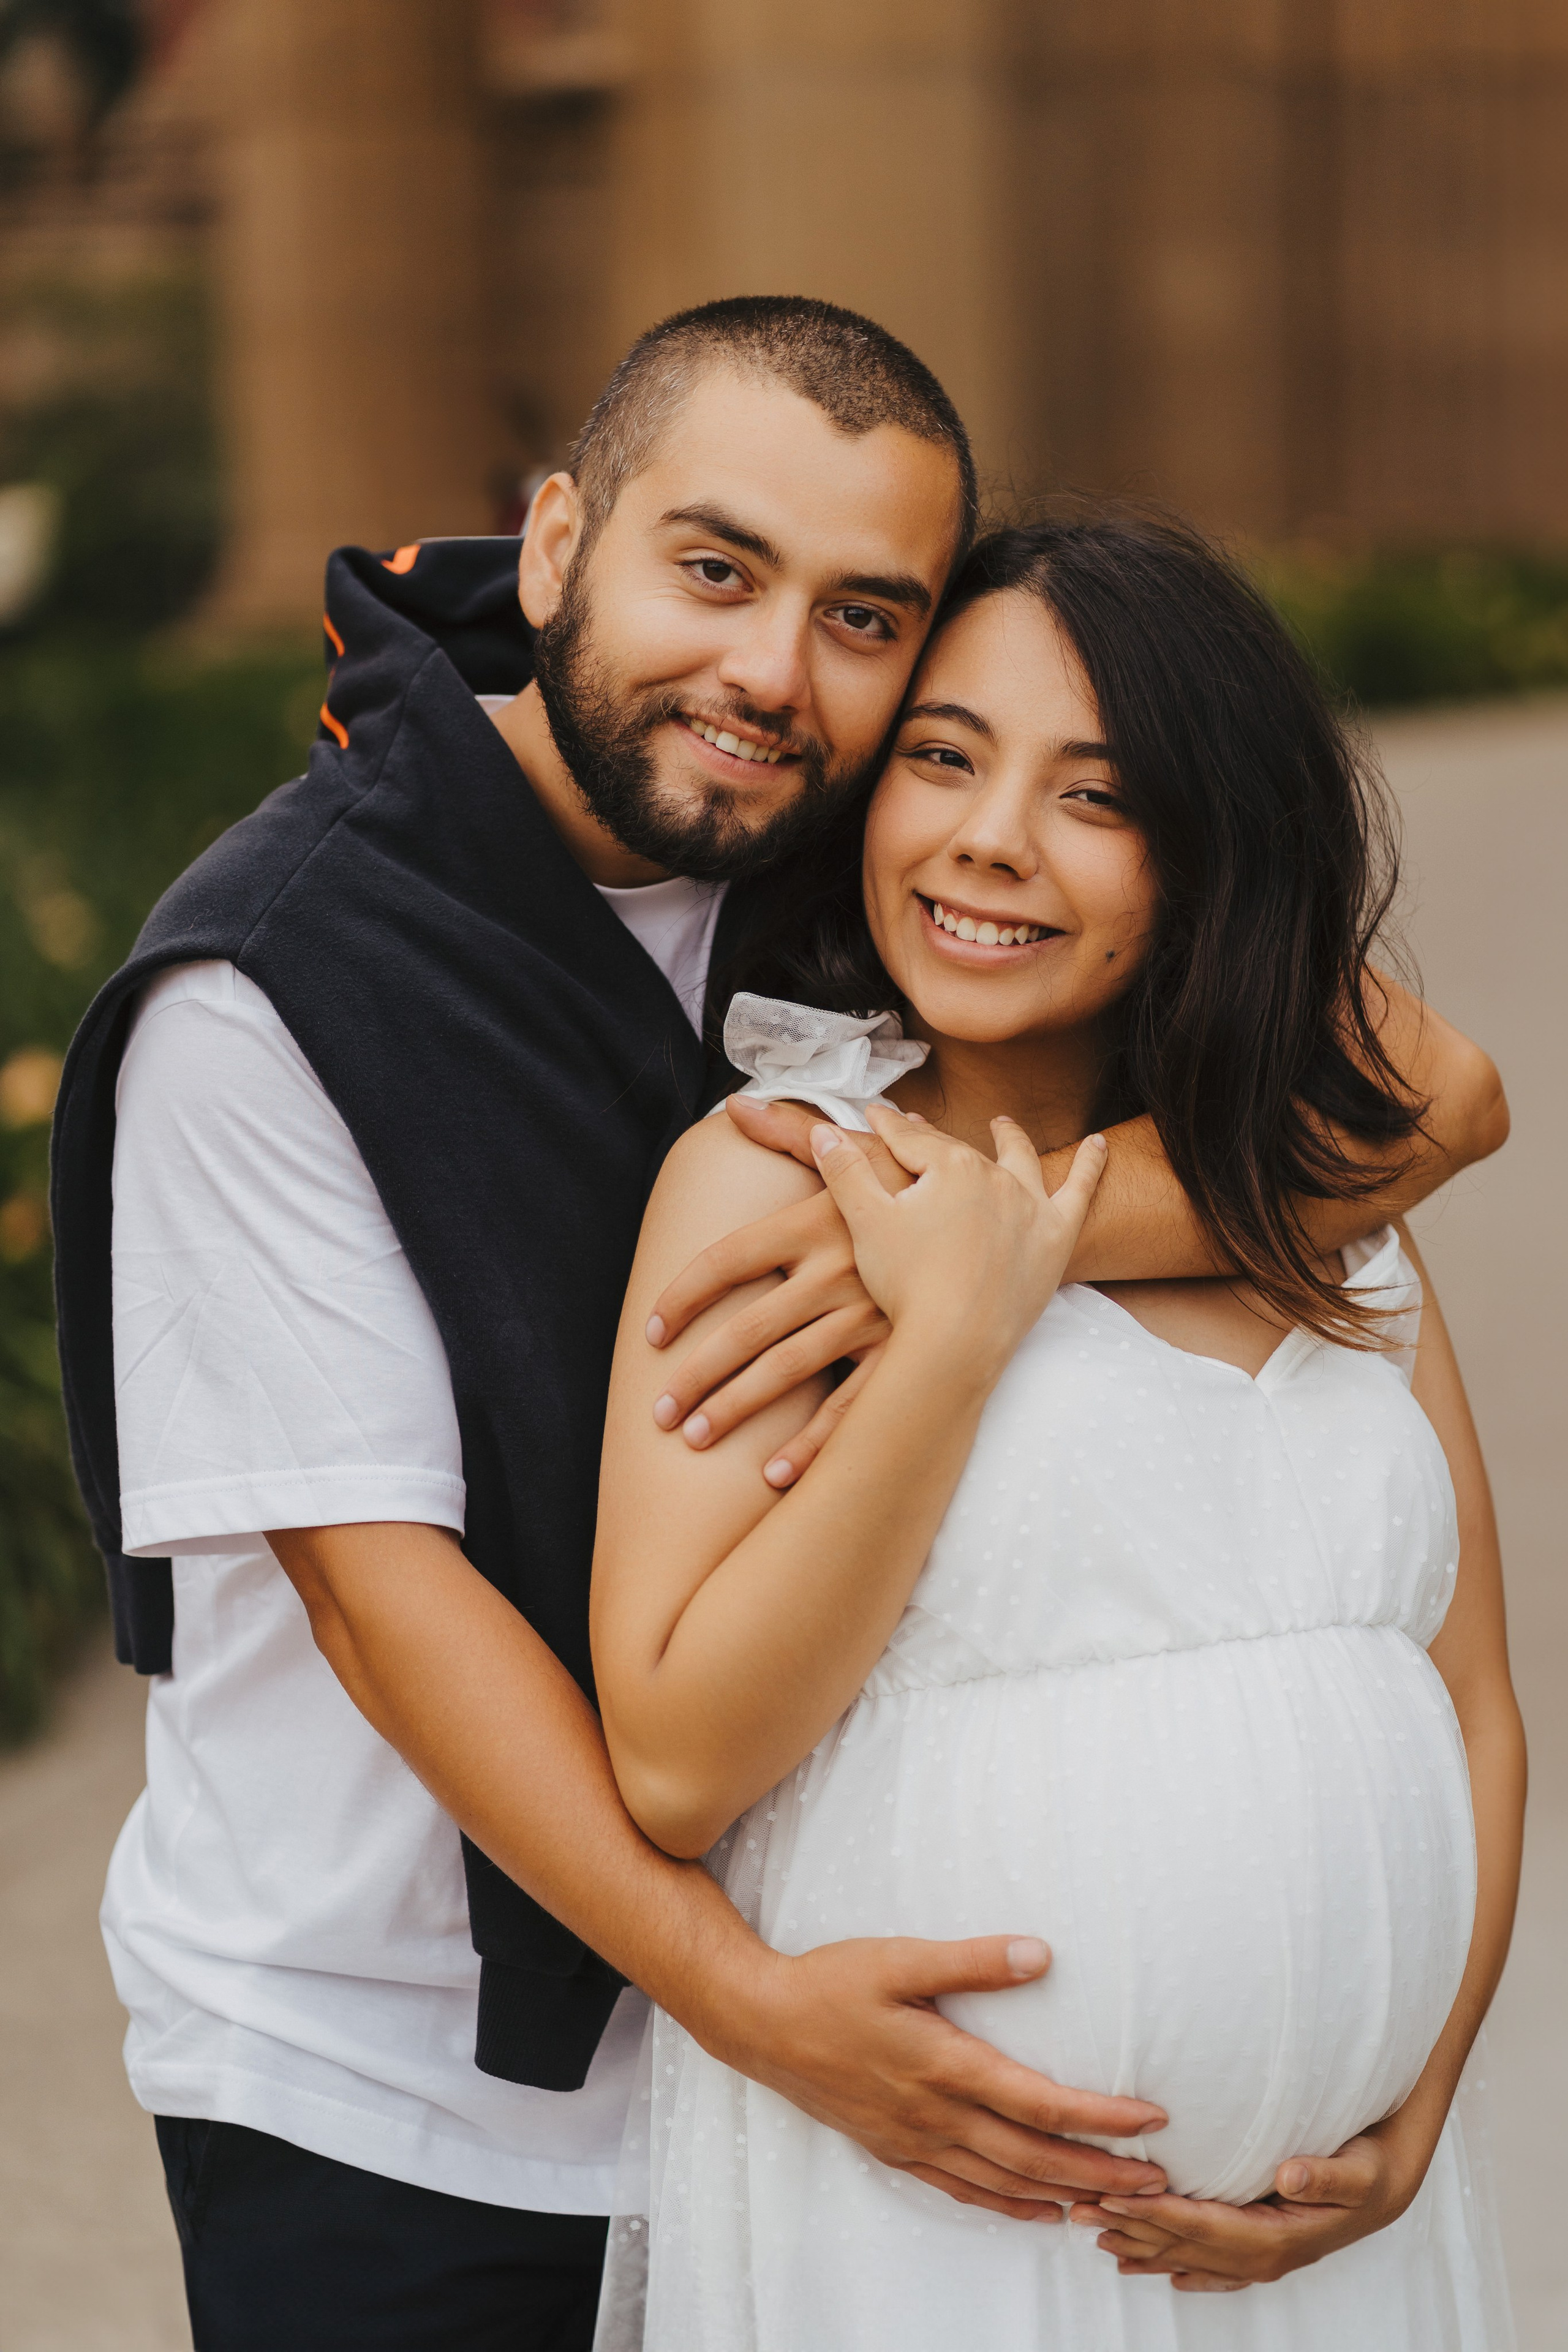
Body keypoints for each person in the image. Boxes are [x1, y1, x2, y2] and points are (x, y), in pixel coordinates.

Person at [47, 296, 1505, 2350]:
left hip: (834, 2092)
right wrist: (759, 2013)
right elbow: (384, 1604)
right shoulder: (272, 990)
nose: (769, 671)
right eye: (714, 571)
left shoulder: (870, 823)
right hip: (405, 2089)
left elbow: (1439, 1095)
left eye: (863, 615)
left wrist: (1011, 1245)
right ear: (557, 544)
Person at [588, 513, 1526, 2348]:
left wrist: (1417, 2109)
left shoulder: (1322, 1201)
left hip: (1334, 2245)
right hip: (954, 2228)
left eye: (1095, 796)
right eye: (942, 757)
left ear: (1210, 858)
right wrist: (952, 1339)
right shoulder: (777, 1179)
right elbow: (681, 1758)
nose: (991, 837)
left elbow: (1472, 1700)